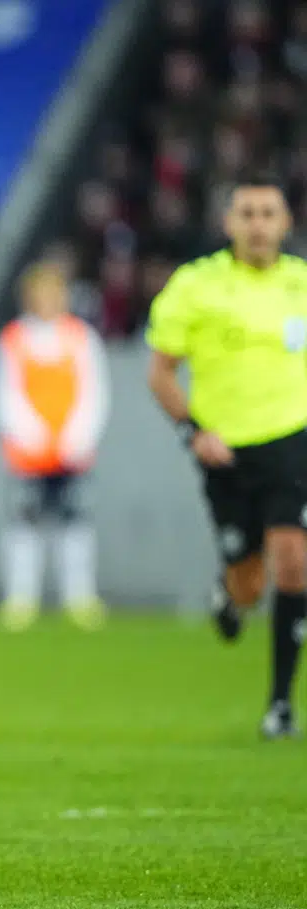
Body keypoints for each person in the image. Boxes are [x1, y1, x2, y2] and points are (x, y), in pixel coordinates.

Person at [146, 173, 307, 740]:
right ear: (229, 223)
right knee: (250, 583)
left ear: (286, 223)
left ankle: (281, 703)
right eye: (248, 213)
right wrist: (194, 431)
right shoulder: (196, 285)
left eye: (269, 213)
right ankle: (230, 593)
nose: (259, 224)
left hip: (293, 440)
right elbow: (160, 372)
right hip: (224, 450)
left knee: (294, 560)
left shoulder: (303, 283)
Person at [0, 260, 109, 632]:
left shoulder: (81, 337)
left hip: (72, 449)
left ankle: (80, 597)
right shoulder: (13, 339)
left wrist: (78, 435)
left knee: (76, 522)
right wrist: (29, 432)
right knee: (24, 522)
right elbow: (4, 392)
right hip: (28, 451)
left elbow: (94, 391)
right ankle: (21, 599)